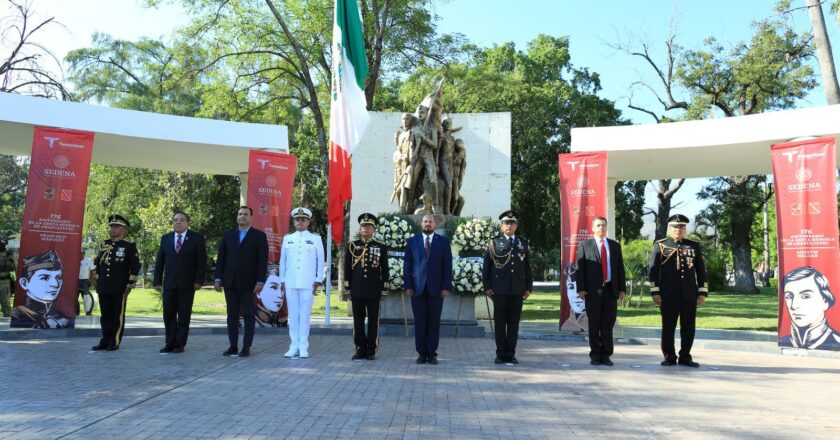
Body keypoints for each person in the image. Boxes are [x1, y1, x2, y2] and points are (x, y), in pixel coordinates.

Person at [649, 214, 707, 367]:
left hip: (689, 294)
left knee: (688, 326)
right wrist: (655, 292)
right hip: (668, 294)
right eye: (675, 227)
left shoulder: (693, 246)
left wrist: (702, 291)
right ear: (670, 228)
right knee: (668, 326)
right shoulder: (661, 245)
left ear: (685, 229)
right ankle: (669, 356)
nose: (678, 230)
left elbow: (701, 270)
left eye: (681, 227)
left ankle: (685, 356)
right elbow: (653, 271)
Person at [214, 206, 268, 358]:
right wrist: (218, 278)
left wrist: (260, 281)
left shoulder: (259, 236)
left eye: (245, 214)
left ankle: (246, 346)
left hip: (249, 284)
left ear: (251, 217)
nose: (242, 216)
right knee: (231, 315)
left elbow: (262, 261)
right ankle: (232, 346)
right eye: (239, 214)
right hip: (230, 282)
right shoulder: (228, 235)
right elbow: (221, 258)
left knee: (249, 315)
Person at [483, 210, 533, 365]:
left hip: (517, 290)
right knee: (500, 323)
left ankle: (510, 353)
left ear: (516, 226)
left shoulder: (522, 243)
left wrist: (528, 287)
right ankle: (500, 353)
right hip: (499, 289)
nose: (509, 226)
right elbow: (487, 267)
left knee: (513, 323)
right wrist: (487, 287)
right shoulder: (494, 242)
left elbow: (527, 267)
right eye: (506, 223)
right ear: (501, 226)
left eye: (512, 223)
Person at [153, 211, 207, 354]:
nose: (178, 222)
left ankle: (180, 343)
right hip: (169, 284)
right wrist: (157, 280)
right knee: (168, 315)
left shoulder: (196, 238)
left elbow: (202, 262)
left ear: (188, 223)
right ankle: (169, 342)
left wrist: (199, 281)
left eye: (181, 220)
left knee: (184, 315)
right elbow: (160, 261)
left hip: (188, 284)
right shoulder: (166, 238)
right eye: (175, 220)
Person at [575, 216, 626, 366]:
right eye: (598, 226)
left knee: (608, 324)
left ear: (606, 227)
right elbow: (580, 269)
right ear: (593, 228)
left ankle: (606, 354)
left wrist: (622, 289)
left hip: (611, 290)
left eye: (603, 225)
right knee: (594, 323)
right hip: (592, 291)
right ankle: (595, 355)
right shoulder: (585, 245)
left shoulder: (615, 246)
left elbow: (619, 269)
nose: (601, 228)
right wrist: (581, 288)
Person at [404, 214, 453, 365]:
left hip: (437, 289)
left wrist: (446, 286)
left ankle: (432, 353)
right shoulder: (412, 242)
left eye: (430, 222)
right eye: (425, 222)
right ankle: (421, 353)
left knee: (434, 321)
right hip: (417, 289)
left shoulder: (443, 242)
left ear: (435, 224)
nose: (428, 224)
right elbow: (407, 266)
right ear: (421, 224)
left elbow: (447, 266)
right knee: (419, 321)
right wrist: (408, 285)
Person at [279, 207, 325, 359]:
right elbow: (283, 261)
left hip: (308, 282)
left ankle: (304, 346)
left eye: (303, 219)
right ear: (294, 221)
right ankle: (293, 346)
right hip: (291, 281)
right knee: (293, 315)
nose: (300, 222)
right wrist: (282, 279)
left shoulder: (316, 238)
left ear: (308, 222)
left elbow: (320, 260)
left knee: (304, 316)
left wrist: (319, 279)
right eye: (297, 219)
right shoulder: (287, 238)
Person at [344, 213, 389, 361]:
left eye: (368, 226)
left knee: (373, 321)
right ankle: (359, 348)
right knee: (357, 321)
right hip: (356, 290)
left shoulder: (380, 247)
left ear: (373, 229)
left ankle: (371, 349)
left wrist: (384, 289)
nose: (365, 229)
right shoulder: (352, 246)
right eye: (363, 226)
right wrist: (347, 288)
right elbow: (347, 269)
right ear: (360, 228)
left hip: (374, 290)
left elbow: (385, 269)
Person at [93, 214, 141, 351]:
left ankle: (115, 341)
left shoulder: (129, 246)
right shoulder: (104, 244)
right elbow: (99, 265)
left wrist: (129, 285)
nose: (113, 229)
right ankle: (105, 340)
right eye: (111, 226)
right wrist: (97, 281)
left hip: (120, 287)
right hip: (104, 286)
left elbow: (135, 267)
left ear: (123, 229)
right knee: (105, 315)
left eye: (116, 226)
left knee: (117, 315)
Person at [779, 266, 840, 350]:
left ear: (825, 301)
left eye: (805, 296)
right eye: (789, 296)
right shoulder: (784, 341)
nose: (794, 306)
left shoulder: (837, 342)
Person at [11, 249, 71, 328]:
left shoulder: (60, 318)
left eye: (59, 277)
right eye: (45, 278)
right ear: (24, 283)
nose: (55, 284)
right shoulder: (18, 317)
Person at [76, 249, 95, 316]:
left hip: (85, 281)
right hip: (75, 281)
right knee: (75, 298)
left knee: (86, 297)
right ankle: (76, 312)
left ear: (84, 253)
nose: (80, 254)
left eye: (82, 253)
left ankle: (88, 312)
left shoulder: (88, 260)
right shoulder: (74, 259)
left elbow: (92, 271)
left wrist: (91, 281)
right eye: (79, 253)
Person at [0, 239, 14, 317]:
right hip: (4, 281)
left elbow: (12, 268)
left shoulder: (8, 255)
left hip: (4, 281)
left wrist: (9, 258)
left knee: (6, 304)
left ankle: (8, 321)